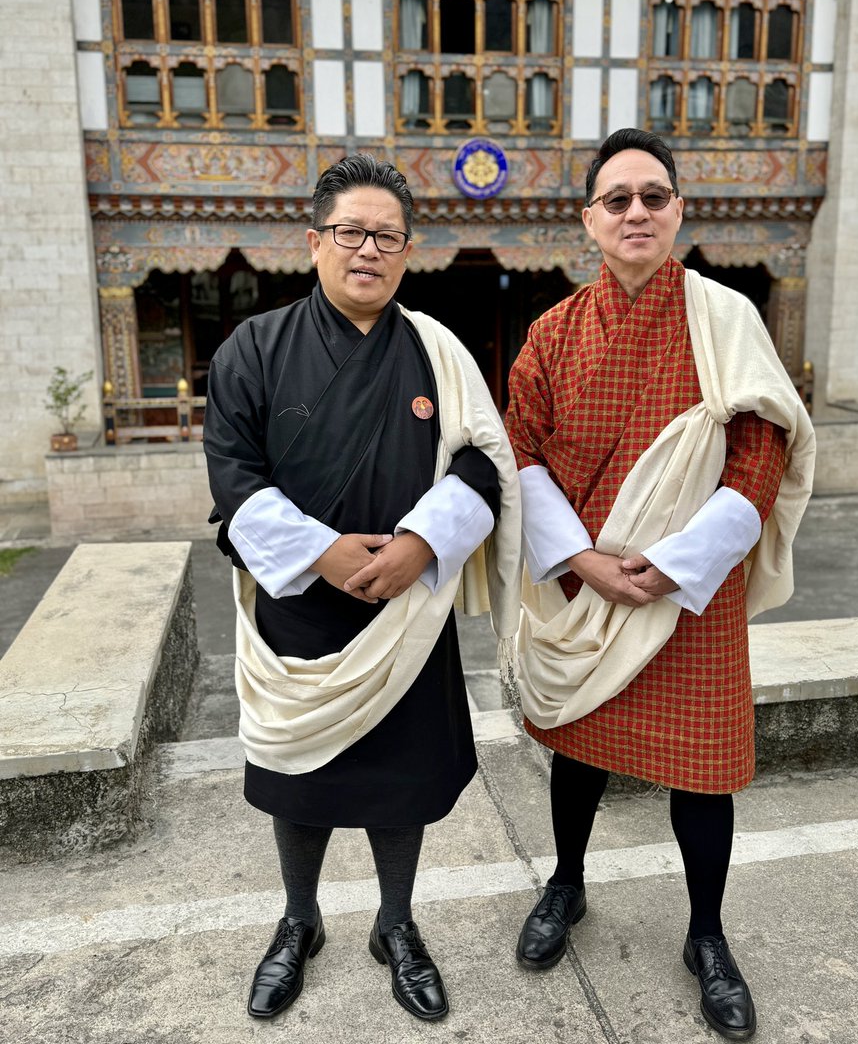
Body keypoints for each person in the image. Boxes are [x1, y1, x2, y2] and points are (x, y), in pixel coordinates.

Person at [505, 128, 814, 1042]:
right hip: (590, 587)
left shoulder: (726, 318)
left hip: (692, 591)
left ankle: (708, 936)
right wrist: (582, 560)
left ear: (678, 209)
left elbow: (762, 448)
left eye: (653, 196)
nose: (636, 212)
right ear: (588, 219)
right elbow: (519, 451)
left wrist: (678, 561)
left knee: (704, 776)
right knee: (579, 752)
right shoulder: (551, 333)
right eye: (617, 199)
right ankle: (565, 885)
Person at [203, 154, 520, 1024]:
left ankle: (397, 924)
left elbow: (483, 461)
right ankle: (299, 920)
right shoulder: (253, 349)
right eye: (351, 232)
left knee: (399, 783)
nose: (368, 250)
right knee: (297, 778)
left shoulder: (439, 353)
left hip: (410, 610)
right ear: (315, 241)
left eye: (387, 236)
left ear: (407, 250)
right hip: (300, 606)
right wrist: (326, 556)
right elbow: (232, 477)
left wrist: (425, 541)